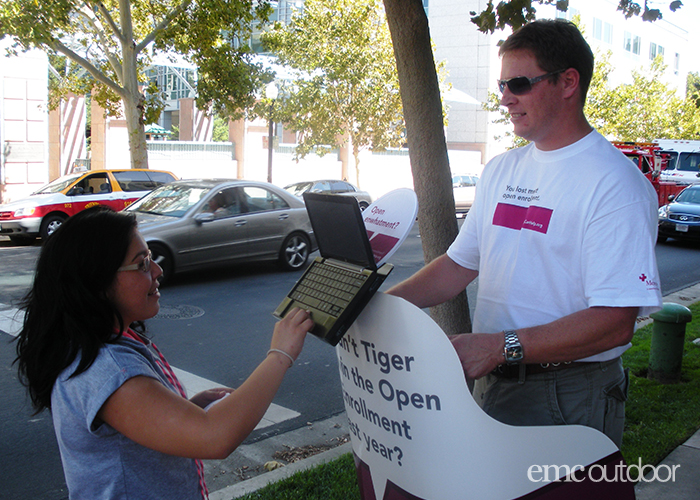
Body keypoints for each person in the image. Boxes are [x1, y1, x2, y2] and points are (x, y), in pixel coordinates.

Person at [387, 19, 662, 448]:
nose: (505, 98)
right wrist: (383, 307)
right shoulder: (501, 169)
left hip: (569, 394)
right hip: (497, 383)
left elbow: (614, 324)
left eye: (518, 83)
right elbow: (459, 264)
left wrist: (498, 347)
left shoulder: (615, 185)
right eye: (501, 86)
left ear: (568, 82)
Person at [14, 206, 313, 499]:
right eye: (142, 263)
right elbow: (215, 437)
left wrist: (184, 408)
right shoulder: (108, 368)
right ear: (97, 282)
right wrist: (280, 355)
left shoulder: (94, 343)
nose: (157, 270)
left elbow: (129, 430)